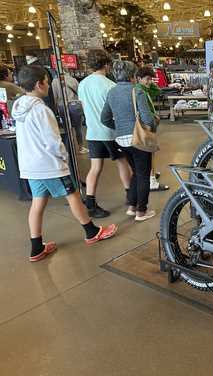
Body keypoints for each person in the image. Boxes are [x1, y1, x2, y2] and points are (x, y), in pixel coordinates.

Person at [11, 65, 117, 262]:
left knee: (37, 204)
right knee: (73, 196)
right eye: (47, 81)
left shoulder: (18, 108)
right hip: (50, 165)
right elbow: (52, 141)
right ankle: (91, 231)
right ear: (39, 84)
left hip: (30, 167)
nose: (49, 85)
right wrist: (64, 157)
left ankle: (36, 248)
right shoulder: (41, 110)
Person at [78, 49, 133, 218]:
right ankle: (131, 197)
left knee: (95, 167)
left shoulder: (83, 84)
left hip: (92, 132)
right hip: (110, 132)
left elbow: (83, 106)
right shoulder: (110, 86)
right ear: (107, 64)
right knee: (122, 162)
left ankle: (91, 202)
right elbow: (115, 112)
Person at [101, 61, 157, 222]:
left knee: (135, 174)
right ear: (133, 76)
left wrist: (119, 127)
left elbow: (104, 118)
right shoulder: (136, 91)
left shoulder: (111, 92)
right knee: (144, 175)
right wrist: (153, 124)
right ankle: (141, 211)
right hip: (138, 139)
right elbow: (147, 118)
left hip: (121, 140)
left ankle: (132, 206)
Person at [135, 65, 169, 192]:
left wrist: (150, 83)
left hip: (147, 125)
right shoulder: (140, 90)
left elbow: (158, 91)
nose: (149, 82)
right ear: (138, 78)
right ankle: (152, 180)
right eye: (147, 79)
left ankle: (151, 175)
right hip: (146, 126)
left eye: (151, 79)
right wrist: (153, 122)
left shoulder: (143, 88)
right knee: (150, 152)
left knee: (150, 153)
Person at [51, 70, 88, 153]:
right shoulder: (73, 79)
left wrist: (56, 108)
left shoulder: (54, 82)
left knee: (67, 128)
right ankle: (80, 147)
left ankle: (70, 147)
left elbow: (55, 97)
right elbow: (80, 92)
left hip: (62, 106)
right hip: (74, 105)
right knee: (78, 128)